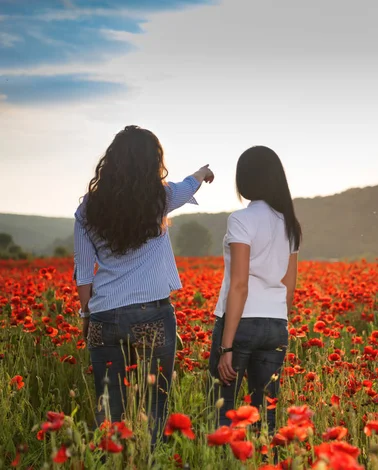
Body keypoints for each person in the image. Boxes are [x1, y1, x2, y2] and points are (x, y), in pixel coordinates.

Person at [73, 125, 214, 442]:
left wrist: (86, 316)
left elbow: (83, 272)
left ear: (111, 162)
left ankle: (108, 461)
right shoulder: (160, 198)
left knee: (109, 410)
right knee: (154, 408)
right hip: (152, 315)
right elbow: (188, 185)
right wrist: (204, 172)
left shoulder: (87, 209)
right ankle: (150, 459)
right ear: (153, 162)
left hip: (104, 316)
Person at [208, 145, 302, 437]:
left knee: (224, 412)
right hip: (276, 324)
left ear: (245, 180)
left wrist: (227, 347)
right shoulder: (289, 224)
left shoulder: (241, 220)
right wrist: (277, 320)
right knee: (266, 417)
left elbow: (239, 285)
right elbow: (289, 287)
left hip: (241, 323)